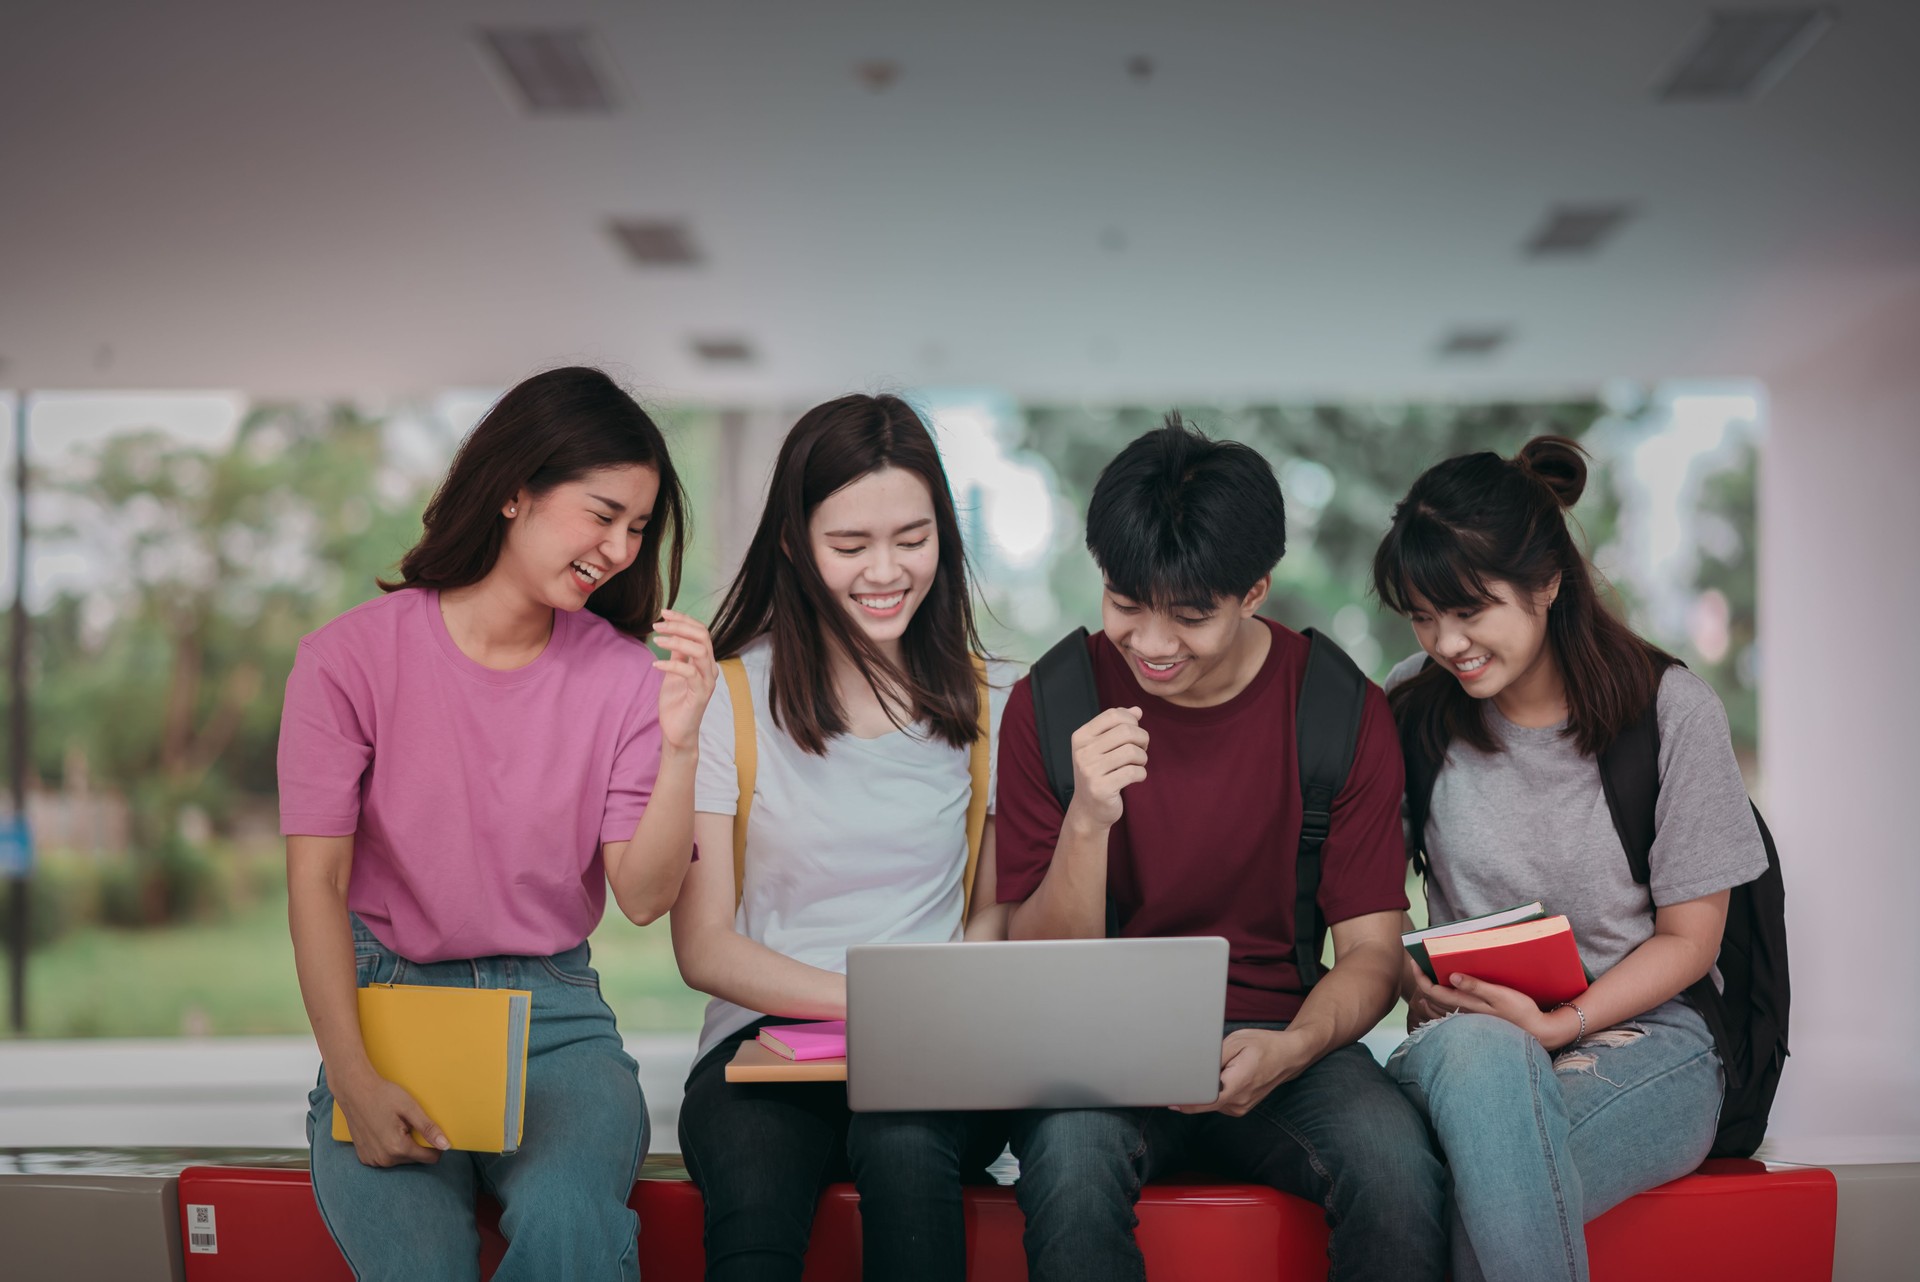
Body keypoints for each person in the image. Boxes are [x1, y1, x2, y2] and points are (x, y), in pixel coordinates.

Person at [278, 366, 715, 1282]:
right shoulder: (345, 661)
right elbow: (315, 885)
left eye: (638, 527)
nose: (622, 548)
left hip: (556, 1022)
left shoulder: (630, 681)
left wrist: (681, 748)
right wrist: (353, 1076)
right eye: (603, 514)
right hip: (388, 1013)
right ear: (515, 490)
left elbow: (641, 897)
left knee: (571, 1231)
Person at [993, 414, 1447, 1282]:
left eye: (1191, 617)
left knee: (1395, 1169)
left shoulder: (1338, 710)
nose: (1154, 645)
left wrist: (1292, 1049)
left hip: (1287, 1036)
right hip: (1102, 1047)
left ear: (1255, 591)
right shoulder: (1050, 705)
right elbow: (1036, 967)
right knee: (1070, 1169)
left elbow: (1370, 957)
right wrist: (1087, 819)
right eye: (1126, 606)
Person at [1372, 435, 1767, 1282]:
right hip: (1465, 1038)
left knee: (1488, 1185)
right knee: (1487, 1070)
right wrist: (1418, 979)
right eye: (1422, 615)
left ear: (1547, 582)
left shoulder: (1671, 713)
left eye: (1470, 609)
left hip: (1647, 1040)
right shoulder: (1413, 707)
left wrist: (1558, 1024)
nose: (1448, 642)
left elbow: (1691, 938)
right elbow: (1370, 896)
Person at [671, 394, 1013, 1282]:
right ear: (793, 543)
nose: (885, 571)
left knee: (908, 1152)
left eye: (912, 537)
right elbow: (704, 948)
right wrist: (868, 1001)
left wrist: (918, 1009)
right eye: (850, 546)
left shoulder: (992, 704)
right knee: (753, 1212)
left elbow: (993, 918)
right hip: (762, 1044)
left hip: (929, 1049)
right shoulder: (728, 700)